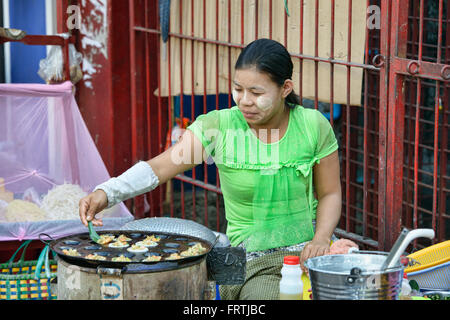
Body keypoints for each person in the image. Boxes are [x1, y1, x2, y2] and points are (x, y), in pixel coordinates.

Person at [79, 38, 342, 300]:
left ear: (285, 88)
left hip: (305, 255)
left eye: (257, 93)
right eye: (238, 89)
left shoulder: (312, 125)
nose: (245, 101)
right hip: (248, 260)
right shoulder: (219, 128)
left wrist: (320, 240)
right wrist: (107, 192)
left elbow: (330, 193)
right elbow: (160, 167)